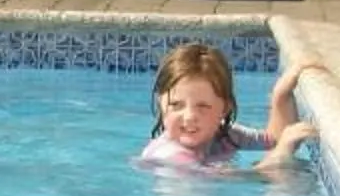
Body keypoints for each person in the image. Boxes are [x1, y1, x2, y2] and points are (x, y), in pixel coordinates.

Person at [138, 43, 324, 172]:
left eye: (203, 106)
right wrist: (281, 155)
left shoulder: (225, 136)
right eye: (176, 105)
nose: (189, 116)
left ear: (224, 109)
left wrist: (281, 96)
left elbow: (273, 139)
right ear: (160, 104)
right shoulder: (171, 157)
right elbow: (246, 183)